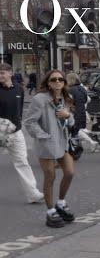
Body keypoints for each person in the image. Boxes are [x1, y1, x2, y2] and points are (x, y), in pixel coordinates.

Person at [23, 70, 76, 228]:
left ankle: (60, 202)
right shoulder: (40, 99)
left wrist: (68, 116)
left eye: (61, 79)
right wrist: (44, 136)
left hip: (63, 142)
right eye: (54, 79)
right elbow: (29, 122)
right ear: (48, 82)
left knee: (69, 172)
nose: (58, 82)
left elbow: (71, 122)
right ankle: (50, 210)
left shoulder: (67, 99)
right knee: (50, 176)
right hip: (46, 144)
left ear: (65, 83)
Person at [0, 63, 44, 203]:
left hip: (16, 131)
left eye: (2, 73)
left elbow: (19, 110)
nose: (0, 75)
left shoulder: (19, 89)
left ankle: (32, 193)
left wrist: (17, 124)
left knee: (22, 162)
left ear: (10, 73)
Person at [66, 72, 98, 153]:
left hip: (74, 113)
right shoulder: (82, 88)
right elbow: (86, 100)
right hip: (82, 111)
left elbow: (67, 102)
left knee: (76, 130)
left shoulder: (70, 90)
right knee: (78, 130)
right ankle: (80, 144)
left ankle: (91, 142)